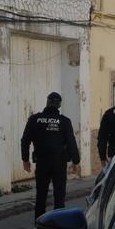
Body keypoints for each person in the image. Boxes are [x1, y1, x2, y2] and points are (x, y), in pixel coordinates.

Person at [21, 92, 81, 221]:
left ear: (47, 102)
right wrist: (76, 161)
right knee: (59, 196)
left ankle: (39, 224)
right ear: (59, 105)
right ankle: (58, 224)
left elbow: (25, 140)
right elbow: (71, 142)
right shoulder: (64, 121)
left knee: (41, 195)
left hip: (42, 162)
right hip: (59, 163)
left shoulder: (35, 119)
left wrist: (25, 160)